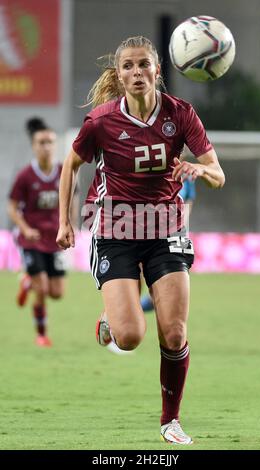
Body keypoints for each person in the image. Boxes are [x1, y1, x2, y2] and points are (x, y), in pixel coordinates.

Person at [56, 36, 225, 444]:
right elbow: (71, 165)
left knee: (174, 332)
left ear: (157, 71)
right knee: (130, 337)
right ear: (119, 74)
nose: (136, 73)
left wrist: (200, 171)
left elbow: (218, 173)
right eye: (128, 66)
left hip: (165, 229)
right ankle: (110, 322)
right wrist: (65, 222)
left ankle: (171, 420)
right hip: (115, 230)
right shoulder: (101, 121)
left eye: (144, 65)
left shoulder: (181, 114)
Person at [8, 117, 67, 347]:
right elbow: (12, 207)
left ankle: (26, 282)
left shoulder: (62, 171)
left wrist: (68, 225)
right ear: (34, 146)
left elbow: (70, 199)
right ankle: (41, 334)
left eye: (50, 142)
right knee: (42, 288)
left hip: (54, 239)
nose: (47, 147)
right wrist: (25, 228)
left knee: (57, 293)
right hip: (31, 240)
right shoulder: (25, 176)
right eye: (42, 142)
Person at [140, 176, 196, 312]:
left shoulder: (188, 176)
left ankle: (153, 299)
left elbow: (190, 199)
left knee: (180, 266)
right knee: (140, 265)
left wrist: (184, 219)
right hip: (149, 226)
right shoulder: (159, 170)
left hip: (178, 228)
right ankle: (139, 299)